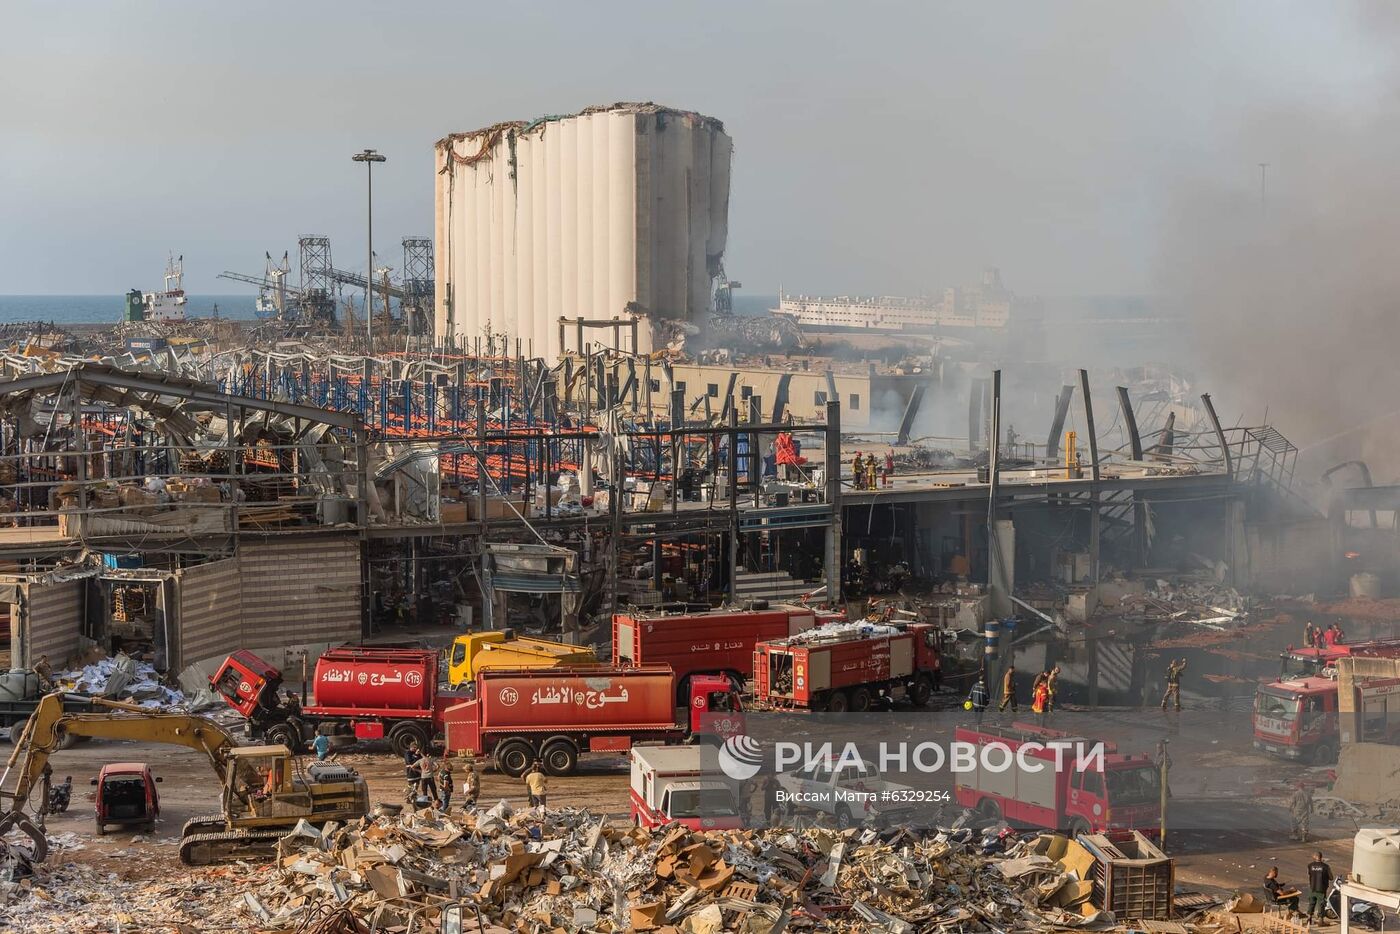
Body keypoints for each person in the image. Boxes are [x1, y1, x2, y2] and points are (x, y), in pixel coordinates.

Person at [1306, 851, 1333, 923]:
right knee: (1321, 904)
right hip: (1321, 889)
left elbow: (1309, 874)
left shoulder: (1310, 865)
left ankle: (1309, 918)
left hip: (1312, 888)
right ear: (1321, 857)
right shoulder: (1326, 866)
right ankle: (1321, 920)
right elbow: (1331, 877)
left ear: (1315, 857)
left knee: (1311, 903)